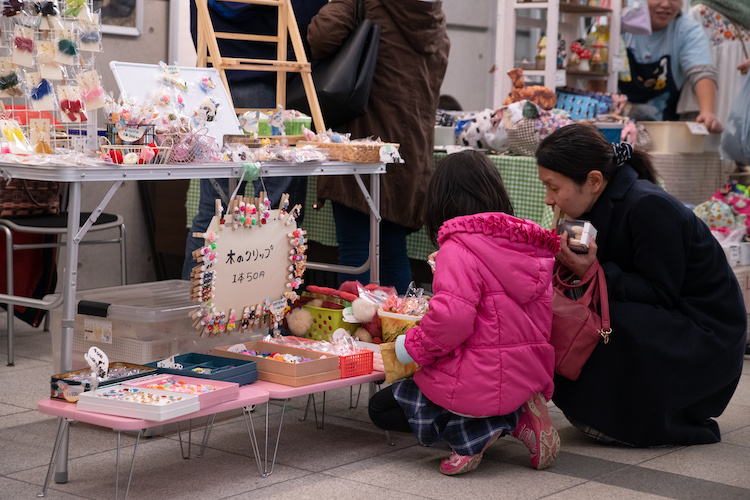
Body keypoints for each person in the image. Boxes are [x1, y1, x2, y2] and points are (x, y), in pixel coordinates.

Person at [536, 123, 747, 447]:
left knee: (605, 319)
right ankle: (602, 412)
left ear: (593, 180)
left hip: (708, 335)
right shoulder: (600, 203)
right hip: (674, 317)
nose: (549, 199)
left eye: (553, 187)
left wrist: (594, 270)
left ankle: (630, 419)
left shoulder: (649, 206)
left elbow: (661, 292)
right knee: (575, 307)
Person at [368, 150, 561, 475]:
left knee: (382, 408)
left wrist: (409, 347)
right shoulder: (528, 243)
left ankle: (473, 434)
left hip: (478, 381)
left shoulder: (457, 248)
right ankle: (519, 415)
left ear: (441, 202)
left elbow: (451, 322)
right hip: (528, 374)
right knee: (485, 383)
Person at [307, 0, 450, 294]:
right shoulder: (433, 16)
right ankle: (399, 332)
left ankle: (355, 336)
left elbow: (321, 36)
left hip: (363, 148)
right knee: (392, 250)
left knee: (357, 253)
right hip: (407, 155)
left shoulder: (365, 3)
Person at [182, 0, 327, 280]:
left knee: (214, 212)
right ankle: (265, 312)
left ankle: (194, 306)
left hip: (216, 85)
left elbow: (197, 23)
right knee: (278, 213)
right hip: (271, 87)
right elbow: (310, 20)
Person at [620, 0, 723, 133]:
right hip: (617, 126)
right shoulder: (622, 23)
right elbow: (599, 69)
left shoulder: (687, 28)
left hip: (665, 129)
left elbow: (702, 72)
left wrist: (708, 113)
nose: (665, 4)